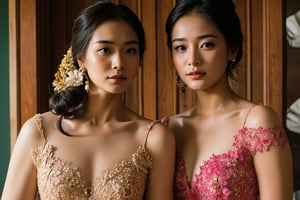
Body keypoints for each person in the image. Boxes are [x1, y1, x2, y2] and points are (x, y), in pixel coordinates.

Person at [1, 1, 175, 199]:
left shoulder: (154, 138)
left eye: (130, 51)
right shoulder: (38, 131)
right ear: (81, 59)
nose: (119, 63)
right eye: (105, 50)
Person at [164, 0, 293, 199]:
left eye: (207, 45)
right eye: (180, 47)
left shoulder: (256, 122)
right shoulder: (168, 129)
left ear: (232, 50)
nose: (192, 60)